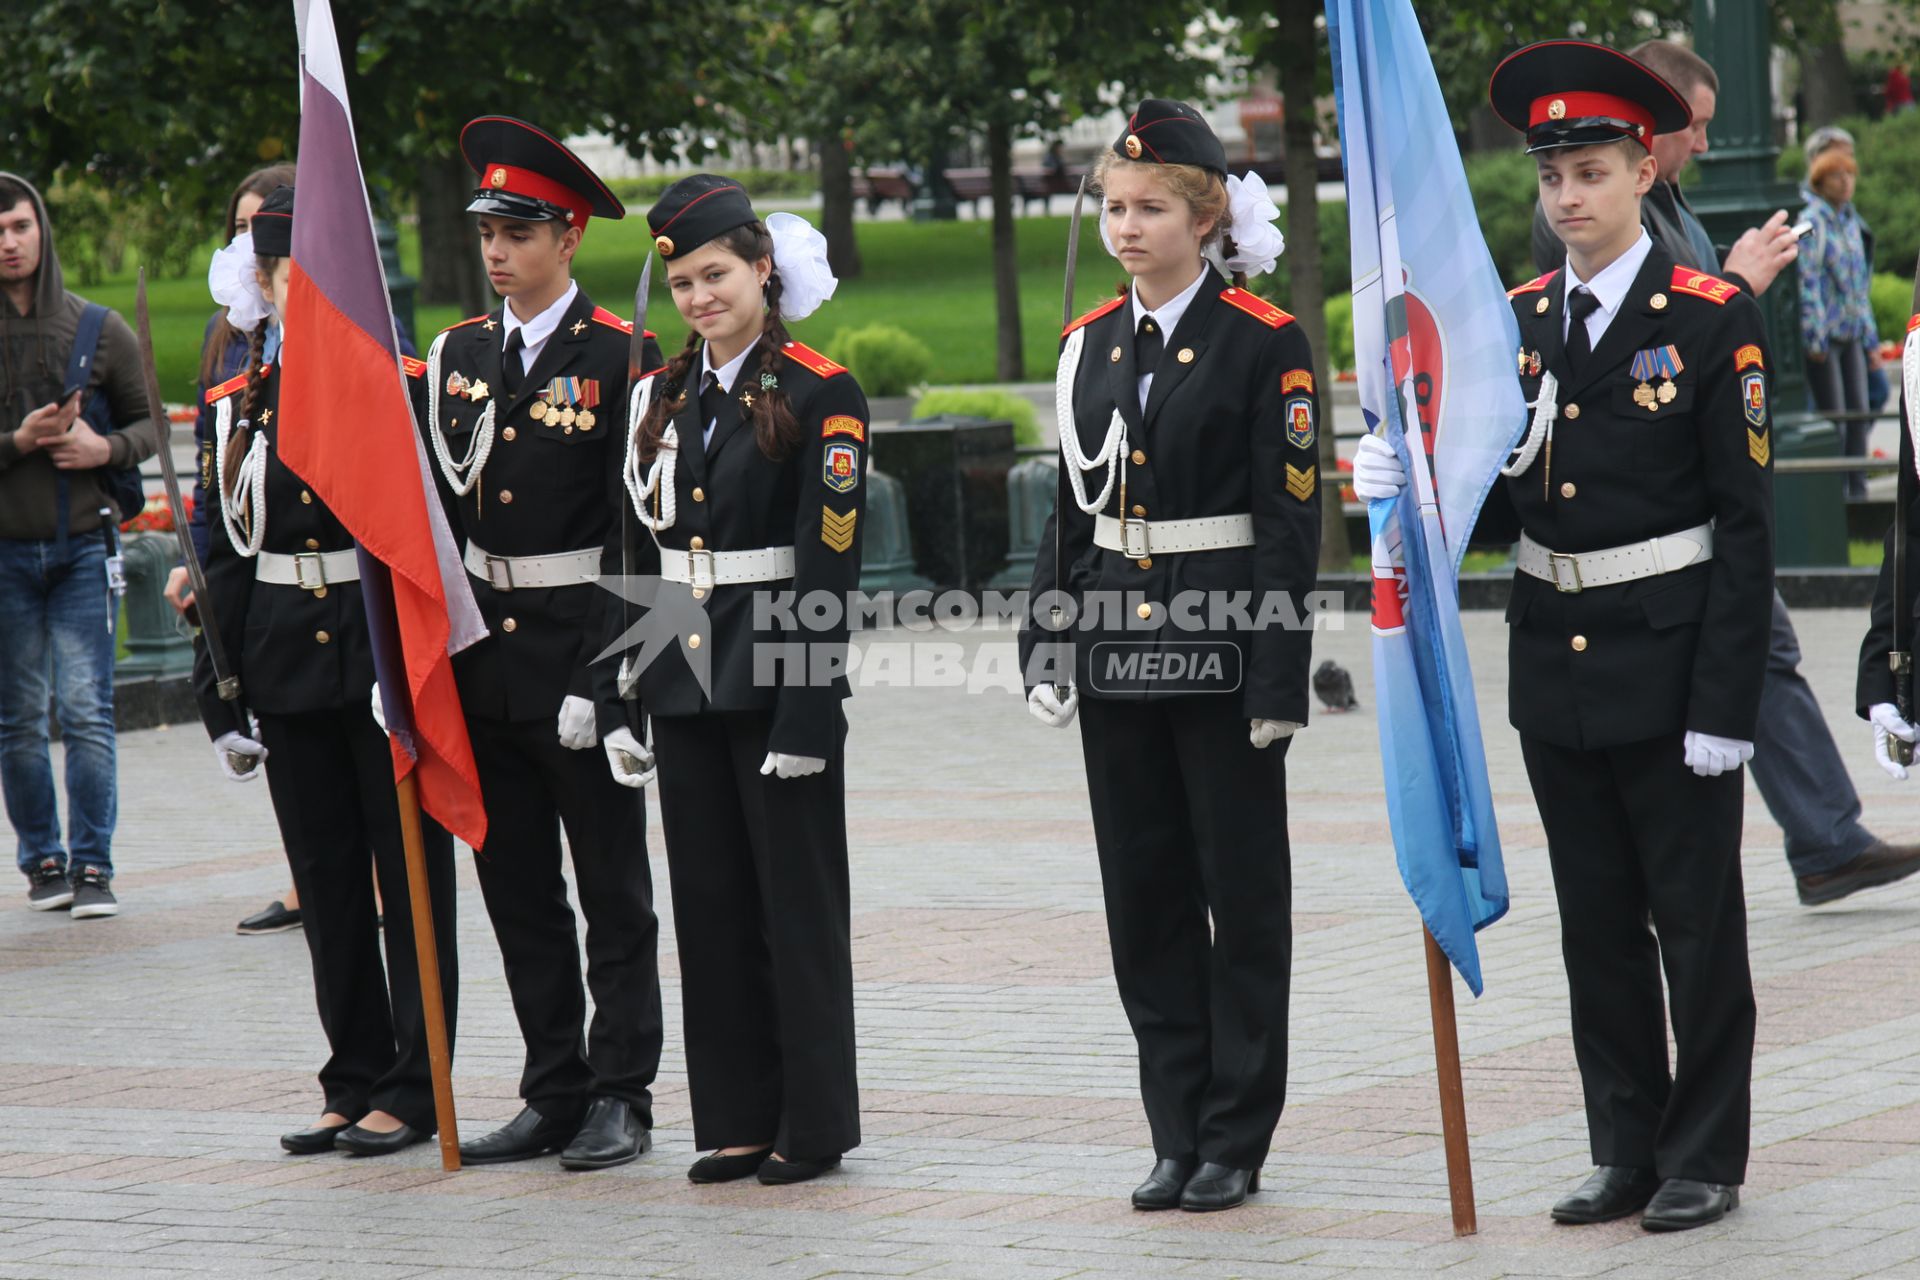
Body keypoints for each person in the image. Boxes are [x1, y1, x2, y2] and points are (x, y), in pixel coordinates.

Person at [1359, 42, 1772, 1231]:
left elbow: (1744, 534)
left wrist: (1726, 705)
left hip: (1673, 653)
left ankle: (1706, 1150)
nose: (1569, 198)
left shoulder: (1707, 319)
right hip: (1559, 659)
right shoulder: (1516, 324)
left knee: (1694, 919)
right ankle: (1625, 1141)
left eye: (1590, 171)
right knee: (1595, 915)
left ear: (1645, 171)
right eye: (1552, 178)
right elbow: (1491, 503)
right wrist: (1409, 478)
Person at [1530, 41, 1920, 907]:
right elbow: (1629, 350)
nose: (1702, 144)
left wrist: (1726, 285)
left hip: (1704, 508)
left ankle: (1826, 834)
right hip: (1648, 542)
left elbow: (1689, 320)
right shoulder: (1582, 209)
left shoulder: (1669, 203)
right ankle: (1825, 836)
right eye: (1694, 125)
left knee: (1766, 652)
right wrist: (1736, 282)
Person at [1018, 99, 1318, 1214]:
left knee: (1238, 897)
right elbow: (1071, 510)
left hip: (1223, 642)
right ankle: (1175, 1125)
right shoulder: (1087, 342)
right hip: (1114, 644)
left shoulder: (1263, 339)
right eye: (1114, 207)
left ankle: (1237, 1131)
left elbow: (1291, 526)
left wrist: (1279, 675)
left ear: (1207, 215)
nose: (1127, 227)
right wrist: (1049, 637)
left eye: (1150, 209)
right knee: (1142, 895)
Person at [607, 175, 866, 1186]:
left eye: (715, 274)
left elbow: (828, 561)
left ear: (763, 268)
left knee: (794, 908)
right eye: (681, 283)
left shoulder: (817, 388)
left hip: (773, 677)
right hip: (681, 671)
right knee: (710, 902)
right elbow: (637, 545)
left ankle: (814, 1119)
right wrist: (622, 688)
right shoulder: (660, 395)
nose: (699, 298)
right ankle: (736, 1116)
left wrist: (809, 702)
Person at [418, 118, 665, 1173]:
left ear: (567, 236)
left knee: (611, 888)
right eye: (488, 229)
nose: (498, 250)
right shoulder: (458, 354)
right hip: (483, 660)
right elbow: (432, 515)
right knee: (515, 885)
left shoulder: (622, 356)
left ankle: (621, 1089)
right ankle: (552, 1084)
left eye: (519, 230)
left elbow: (643, 537)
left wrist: (607, 679)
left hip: (580, 651)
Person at [192, 185, 457, 1157]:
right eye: (280, 273)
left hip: (376, 649)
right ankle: (351, 1075)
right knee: (329, 883)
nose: (296, 287)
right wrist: (215, 686)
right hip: (280, 658)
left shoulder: (402, 383)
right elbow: (221, 547)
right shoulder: (237, 400)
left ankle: (417, 1082)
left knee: (409, 881)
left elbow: (434, 537)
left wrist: (417, 659)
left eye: (314, 269)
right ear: (262, 281)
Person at [159, 164, 311, 936]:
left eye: (272, 238)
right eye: (246, 235)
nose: (255, 258)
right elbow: (218, 479)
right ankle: (303, 874)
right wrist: (197, 550)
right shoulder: (230, 340)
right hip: (254, 572)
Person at [0, 170, 156, 919]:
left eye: (20, 227)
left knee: (88, 709)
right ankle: (44, 862)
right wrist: (15, 441)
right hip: (4, 555)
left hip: (83, 550)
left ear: (42, 231)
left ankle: (94, 866)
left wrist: (106, 450)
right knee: (21, 716)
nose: (9, 243)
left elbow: (149, 424)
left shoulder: (96, 327)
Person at [1799, 148, 1878, 500]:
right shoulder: (1811, 222)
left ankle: (1857, 493)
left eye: (1850, 174)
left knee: (1859, 414)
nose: (1845, 182)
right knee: (1836, 419)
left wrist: (1871, 341)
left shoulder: (1852, 222)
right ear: (1820, 182)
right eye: (1836, 175)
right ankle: (1835, 498)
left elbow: (1861, 287)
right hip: (1826, 337)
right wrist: (1814, 337)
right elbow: (1807, 281)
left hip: (1853, 334)